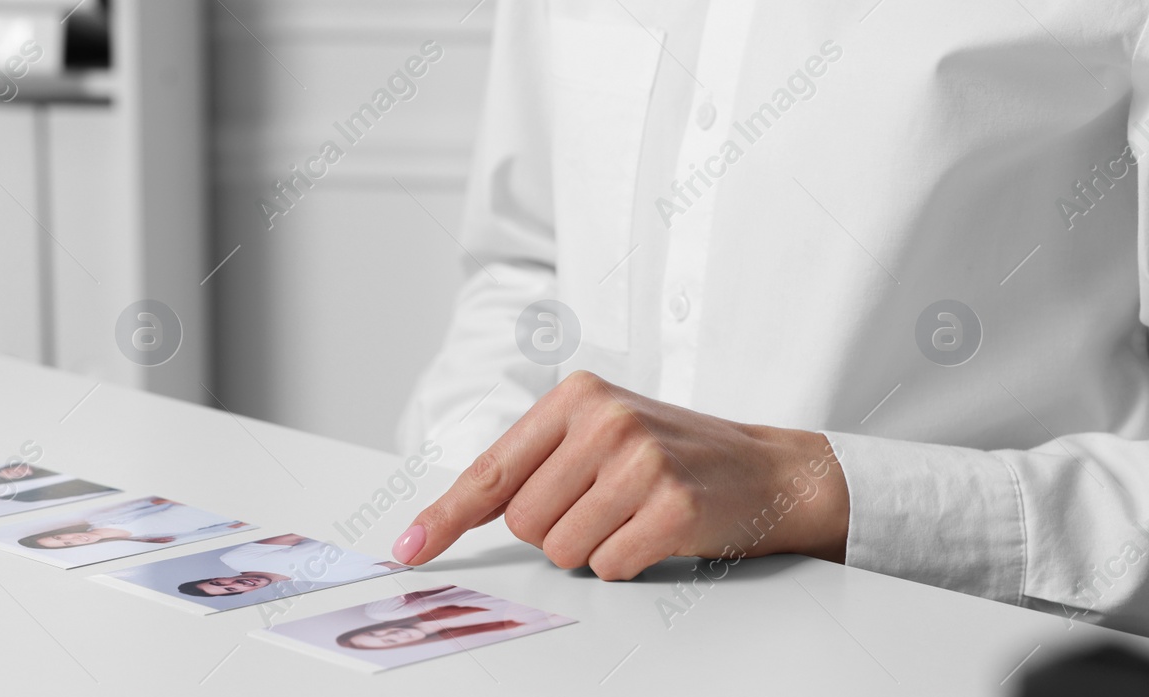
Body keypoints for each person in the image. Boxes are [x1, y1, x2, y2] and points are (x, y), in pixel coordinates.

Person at [393, 2, 1149, 633]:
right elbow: (524, 268)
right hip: (572, 663)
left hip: (963, 691)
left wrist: (810, 491)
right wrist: (488, 510)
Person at [177, 534, 402, 597]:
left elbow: (292, 535)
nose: (234, 584)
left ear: (215, 575)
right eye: (231, 590)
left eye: (219, 582)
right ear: (245, 592)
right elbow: (396, 563)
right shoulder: (327, 579)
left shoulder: (237, 559)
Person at [335, 585, 555, 650]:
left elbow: (402, 581)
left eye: (375, 632)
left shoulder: (386, 612)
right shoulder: (467, 641)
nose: (391, 634)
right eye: (389, 641)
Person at [17, 497, 247, 549]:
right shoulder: (139, 542)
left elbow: (155, 502)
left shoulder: (100, 519)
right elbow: (194, 536)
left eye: (60, 537)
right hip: (225, 518)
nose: (72, 539)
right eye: (67, 544)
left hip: (199, 501)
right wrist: (231, 527)